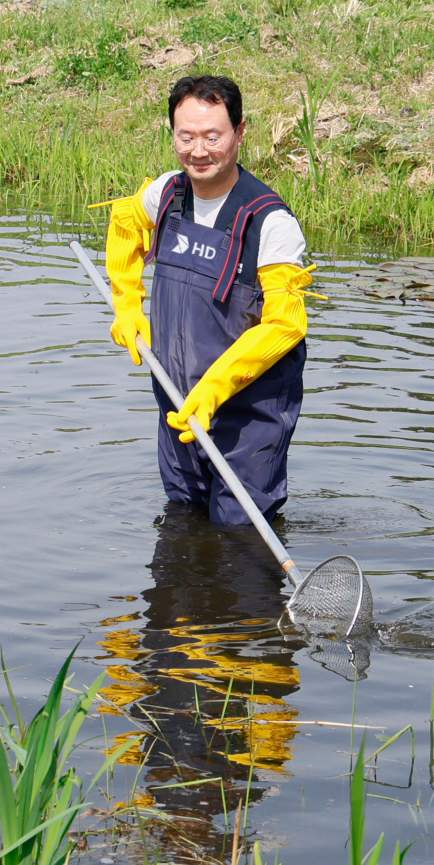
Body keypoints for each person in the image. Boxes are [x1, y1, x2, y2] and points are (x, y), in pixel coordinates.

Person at [105, 74, 310, 527]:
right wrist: (127, 304)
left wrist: (215, 388)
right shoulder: (167, 195)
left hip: (248, 416)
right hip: (177, 403)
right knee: (183, 523)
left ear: (240, 132)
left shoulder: (270, 223)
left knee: (240, 535)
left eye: (212, 137)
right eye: (186, 137)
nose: (198, 151)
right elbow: (125, 224)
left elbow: (286, 325)